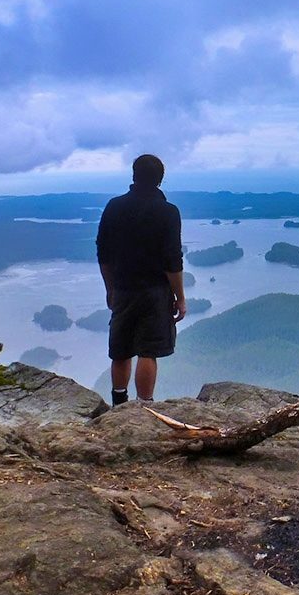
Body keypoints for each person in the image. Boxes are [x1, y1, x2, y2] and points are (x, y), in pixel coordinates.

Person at [96, 154, 187, 406]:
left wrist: (110, 288)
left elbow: (103, 253)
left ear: (134, 175)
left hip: (123, 287)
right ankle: (145, 405)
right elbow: (172, 260)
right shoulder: (168, 212)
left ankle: (119, 401)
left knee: (121, 349)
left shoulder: (114, 207)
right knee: (149, 351)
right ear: (160, 179)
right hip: (156, 291)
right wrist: (180, 297)